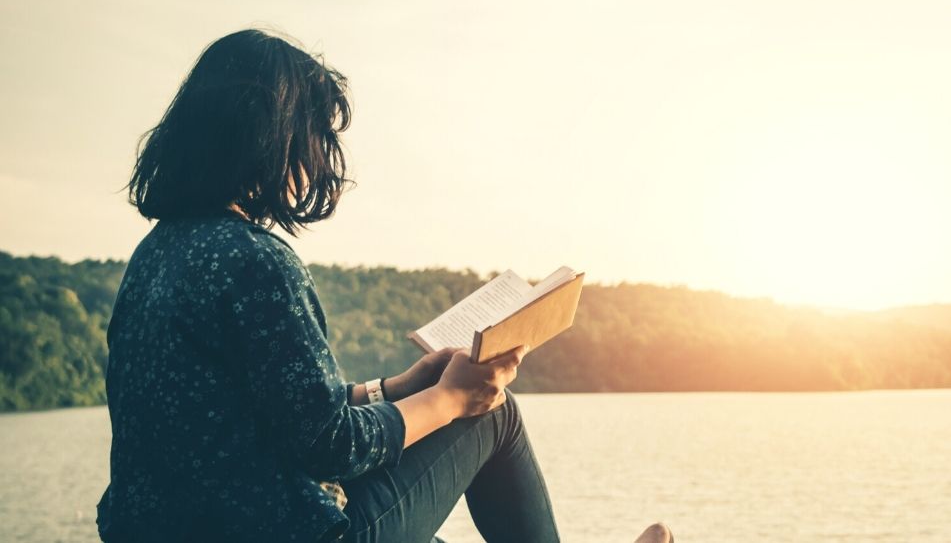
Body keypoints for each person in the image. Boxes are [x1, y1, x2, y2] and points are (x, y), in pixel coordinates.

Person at [96, 28, 672, 543]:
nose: (323, 154)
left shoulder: (157, 256)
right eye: (316, 133)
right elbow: (329, 446)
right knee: (495, 414)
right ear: (274, 137)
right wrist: (450, 399)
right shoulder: (256, 262)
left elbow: (273, 414)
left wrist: (393, 387)